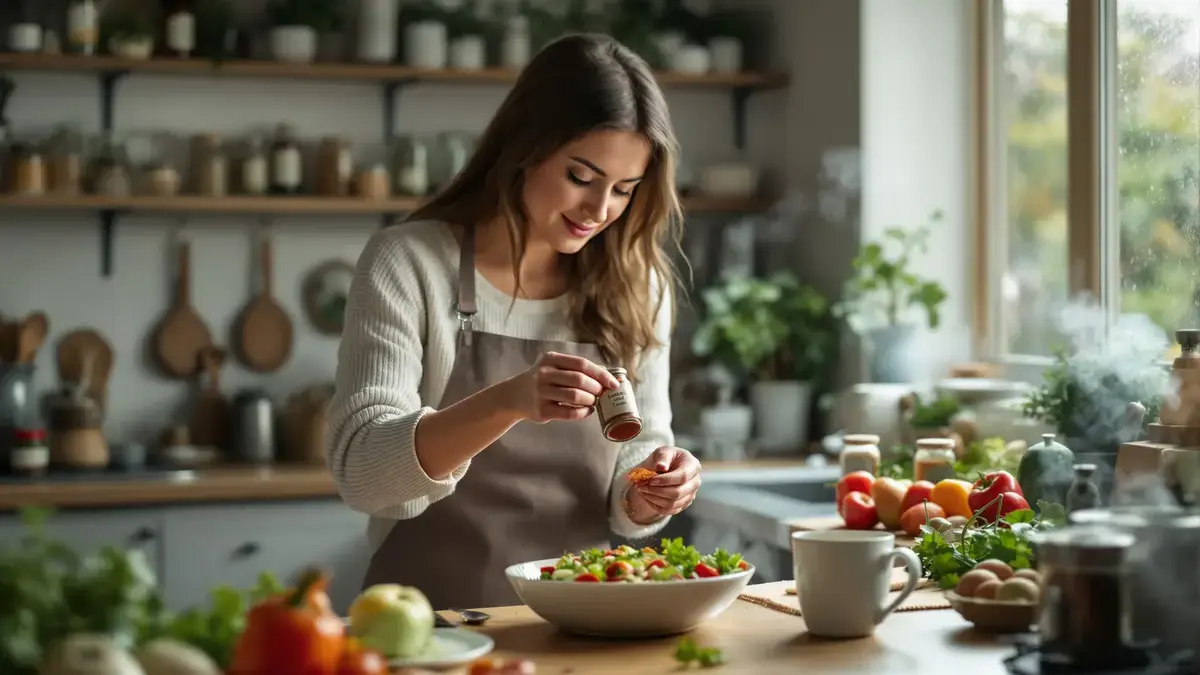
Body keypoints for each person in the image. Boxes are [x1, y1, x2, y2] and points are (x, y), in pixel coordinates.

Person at [326, 33, 703, 610]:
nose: (599, 211)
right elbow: (364, 474)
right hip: (429, 626)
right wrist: (505, 402)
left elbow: (635, 460)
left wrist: (652, 490)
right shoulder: (409, 263)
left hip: (582, 620)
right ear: (525, 148)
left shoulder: (638, 284)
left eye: (624, 190)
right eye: (582, 177)